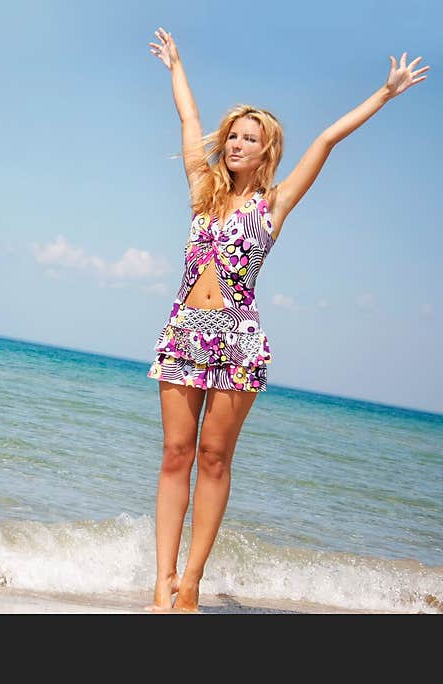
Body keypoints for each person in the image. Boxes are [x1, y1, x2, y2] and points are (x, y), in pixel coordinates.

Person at [144, 26, 429, 612]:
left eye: (250, 139)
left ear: (266, 151)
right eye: (233, 136)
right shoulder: (202, 191)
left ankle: (192, 582)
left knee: (213, 459)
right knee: (175, 454)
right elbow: (187, 120)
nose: (236, 144)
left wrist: (384, 93)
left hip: (236, 341)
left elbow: (326, 140)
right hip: (183, 334)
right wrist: (175, 65)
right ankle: (161, 579)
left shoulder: (273, 204)